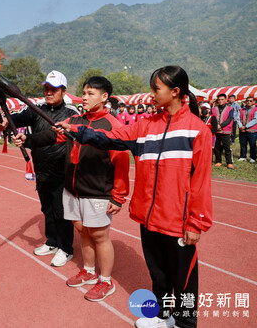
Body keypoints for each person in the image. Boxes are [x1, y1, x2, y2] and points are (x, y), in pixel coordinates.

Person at [55, 66, 212, 328]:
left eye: (156, 89)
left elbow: (201, 182)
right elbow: (110, 138)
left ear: (175, 92)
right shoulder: (145, 126)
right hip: (149, 218)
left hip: (179, 222)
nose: (151, 95)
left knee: (183, 280)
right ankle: (163, 317)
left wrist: (196, 223)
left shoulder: (196, 131)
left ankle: (185, 324)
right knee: (159, 274)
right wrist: (76, 131)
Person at [13, 76, 129, 301]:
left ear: (105, 97)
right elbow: (52, 136)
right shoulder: (75, 120)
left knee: (99, 235)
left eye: (90, 94)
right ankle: (88, 270)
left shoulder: (113, 125)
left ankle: (106, 280)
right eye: (84, 93)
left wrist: (118, 196)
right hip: (73, 188)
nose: (85, 97)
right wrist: (27, 139)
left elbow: (121, 161)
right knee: (83, 231)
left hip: (97, 190)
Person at [0, 70, 79, 267]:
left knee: (61, 212)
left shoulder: (71, 114)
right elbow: (15, 120)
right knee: (47, 209)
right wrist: (5, 122)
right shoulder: (35, 109)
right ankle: (52, 241)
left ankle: (65, 248)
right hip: (41, 169)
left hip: (63, 171)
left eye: (54, 89)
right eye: (46, 89)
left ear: (64, 91)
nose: (49, 92)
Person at [212, 93, 234, 168]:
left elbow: (230, 119)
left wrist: (220, 126)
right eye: (219, 99)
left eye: (222, 99)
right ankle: (218, 161)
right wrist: (216, 126)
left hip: (226, 131)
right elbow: (212, 119)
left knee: (227, 147)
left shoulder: (230, 109)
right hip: (216, 131)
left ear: (225, 100)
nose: (220, 101)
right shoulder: (213, 109)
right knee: (217, 147)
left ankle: (229, 162)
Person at [238, 97, 257, 163]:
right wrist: (240, 126)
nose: (248, 102)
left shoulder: (256, 109)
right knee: (243, 144)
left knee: (252, 144)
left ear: (254, 102)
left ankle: (253, 157)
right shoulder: (241, 109)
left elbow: (255, 120)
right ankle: (243, 156)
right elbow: (238, 118)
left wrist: (245, 127)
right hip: (242, 130)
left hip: (252, 130)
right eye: (247, 101)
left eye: (250, 101)